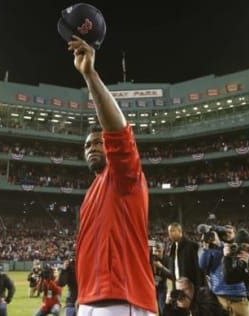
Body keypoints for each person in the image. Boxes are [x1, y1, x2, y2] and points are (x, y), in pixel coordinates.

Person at [69, 34, 157, 315]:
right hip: (88, 300)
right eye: (87, 145)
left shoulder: (123, 177)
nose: (92, 147)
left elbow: (119, 134)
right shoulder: (91, 192)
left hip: (122, 301)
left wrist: (90, 75)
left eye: (98, 142)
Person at [198, 230, 249, 316]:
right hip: (219, 296)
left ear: (235, 234)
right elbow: (202, 265)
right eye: (225, 232)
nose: (227, 234)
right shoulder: (213, 250)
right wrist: (206, 248)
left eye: (229, 232)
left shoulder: (241, 248)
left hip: (239, 296)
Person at [163, 277, 227, 316]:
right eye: (178, 290)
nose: (182, 294)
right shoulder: (180, 300)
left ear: (192, 288)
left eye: (184, 290)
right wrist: (167, 305)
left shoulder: (205, 294)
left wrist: (189, 305)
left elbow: (211, 313)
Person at [167, 223, 204, 289]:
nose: (170, 234)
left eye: (172, 231)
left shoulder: (192, 246)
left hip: (191, 287)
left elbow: (199, 269)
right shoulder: (172, 248)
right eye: (169, 231)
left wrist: (199, 287)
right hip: (177, 286)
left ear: (180, 231)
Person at [152, 243, 171, 315]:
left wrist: (162, 268)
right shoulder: (150, 258)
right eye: (155, 251)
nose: (156, 253)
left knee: (162, 308)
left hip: (161, 288)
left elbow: (171, 275)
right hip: (151, 287)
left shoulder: (167, 259)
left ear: (163, 250)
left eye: (159, 251)